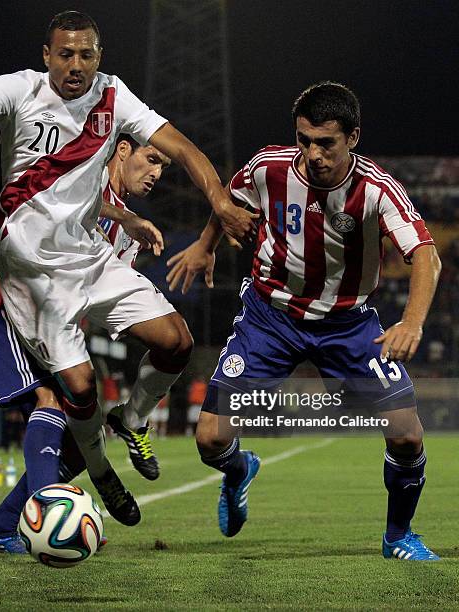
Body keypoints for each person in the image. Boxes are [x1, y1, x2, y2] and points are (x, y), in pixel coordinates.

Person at [0, 10, 256, 536]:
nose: (75, 65)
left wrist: (219, 199)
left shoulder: (113, 95)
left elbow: (185, 148)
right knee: (76, 387)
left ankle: (133, 417)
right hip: (32, 274)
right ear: (47, 55)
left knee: (175, 341)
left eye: (85, 55)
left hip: (89, 258)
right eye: (65, 54)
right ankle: (99, 474)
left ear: (98, 57)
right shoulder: (21, 89)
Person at [167, 82, 442, 560]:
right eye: (304, 140)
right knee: (210, 439)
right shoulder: (269, 167)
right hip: (270, 320)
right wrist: (205, 244)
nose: (312, 153)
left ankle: (398, 535)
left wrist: (411, 322)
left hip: (348, 325)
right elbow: (230, 200)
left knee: (406, 431)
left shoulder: (377, 190)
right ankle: (238, 470)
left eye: (326, 143)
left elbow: (425, 255)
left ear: (353, 138)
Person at [0, 135, 173, 552]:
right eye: (151, 160)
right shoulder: (86, 174)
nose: (156, 174)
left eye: (164, 167)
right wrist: (122, 215)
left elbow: (102, 295)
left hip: (60, 327)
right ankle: (47, 520)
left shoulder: (129, 238)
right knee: (50, 404)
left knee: (84, 430)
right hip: (11, 306)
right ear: (121, 151)